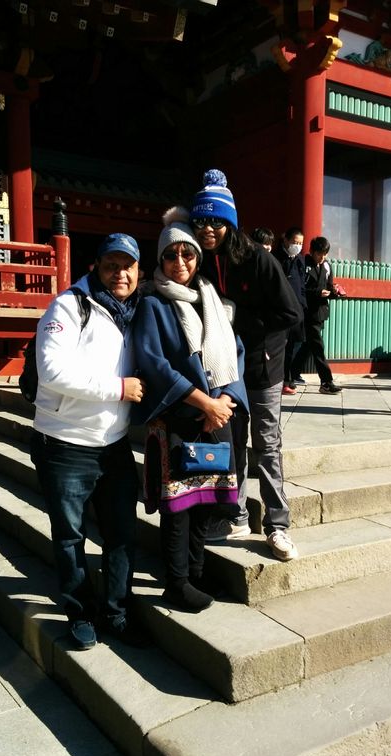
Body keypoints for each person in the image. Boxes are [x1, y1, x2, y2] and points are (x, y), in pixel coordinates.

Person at [30, 233, 146, 651]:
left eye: (127, 265)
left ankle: (116, 611)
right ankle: (80, 612)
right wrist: (117, 389)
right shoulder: (69, 305)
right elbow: (51, 370)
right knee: (70, 536)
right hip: (64, 442)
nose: (120, 273)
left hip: (112, 443)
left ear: (139, 271)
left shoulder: (137, 311)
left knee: (121, 533)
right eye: (111, 264)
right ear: (96, 266)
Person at [132, 207, 249, 611]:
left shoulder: (213, 300)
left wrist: (227, 401)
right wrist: (203, 402)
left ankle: (195, 572)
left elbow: (235, 352)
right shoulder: (152, 303)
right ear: (160, 260)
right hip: (178, 416)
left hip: (214, 414)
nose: (179, 262)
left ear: (198, 257)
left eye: (187, 254)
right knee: (178, 505)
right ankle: (176, 582)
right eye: (171, 255)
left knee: (204, 502)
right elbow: (152, 362)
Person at [190, 169, 303, 561]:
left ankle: (277, 524)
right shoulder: (202, 262)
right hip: (226, 369)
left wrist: (239, 318)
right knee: (234, 443)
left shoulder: (257, 259)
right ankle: (235, 514)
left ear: (229, 222)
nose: (208, 229)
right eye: (201, 221)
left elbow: (292, 313)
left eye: (215, 221)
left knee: (266, 446)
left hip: (263, 367)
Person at [291, 236, 343, 394]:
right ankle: (326, 381)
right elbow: (298, 289)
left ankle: (291, 374)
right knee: (318, 346)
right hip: (306, 311)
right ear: (312, 252)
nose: (323, 257)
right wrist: (317, 293)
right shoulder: (303, 264)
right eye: (320, 254)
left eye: (325, 254)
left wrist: (335, 292)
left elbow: (329, 286)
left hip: (320, 312)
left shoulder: (327, 266)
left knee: (308, 346)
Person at [273, 226, 307, 395]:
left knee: (295, 345)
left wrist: (303, 305)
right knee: (282, 347)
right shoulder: (276, 258)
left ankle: (290, 377)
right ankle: (284, 380)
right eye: (295, 242)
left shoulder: (300, 259)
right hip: (282, 310)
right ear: (285, 240)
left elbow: (302, 285)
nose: (297, 246)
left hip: (297, 309)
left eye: (300, 243)